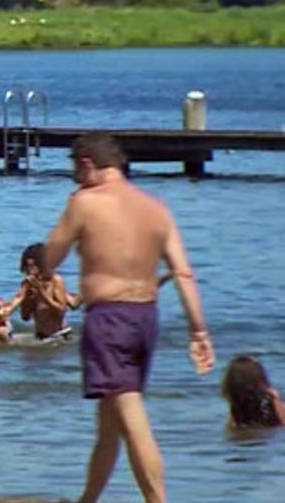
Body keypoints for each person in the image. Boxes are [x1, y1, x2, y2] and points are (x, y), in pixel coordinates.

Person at [42, 132, 213, 503]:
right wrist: (199, 331)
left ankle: (158, 500)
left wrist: (66, 227)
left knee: (129, 411)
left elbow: (50, 258)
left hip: (109, 319)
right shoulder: (156, 208)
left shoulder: (85, 203)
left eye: (75, 168)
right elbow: (183, 273)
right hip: (146, 319)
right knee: (110, 421)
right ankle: (87, 499)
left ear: (87, 163)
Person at [6, 242, 81, 340]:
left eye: (32, 266)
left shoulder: (55, 280)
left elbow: (61, 311)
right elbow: (25, 317)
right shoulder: (28, 284)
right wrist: (29, 297)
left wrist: (41, 292)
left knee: (74, 302)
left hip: (60, 334)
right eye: (27, 266)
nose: (29, 271)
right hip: (41, 335)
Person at [221, 355, 285, 429]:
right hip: (268, 431)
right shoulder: (270, 396)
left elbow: (231, 425)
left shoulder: (236, 400)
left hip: (247, 431)